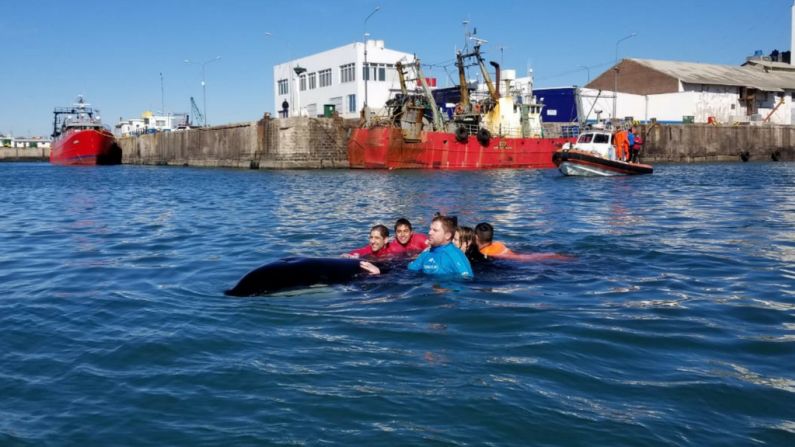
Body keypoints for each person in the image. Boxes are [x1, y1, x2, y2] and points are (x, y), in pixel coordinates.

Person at [408, 215, 473, 278]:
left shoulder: (455, 256)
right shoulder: (426, 253)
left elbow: (467, 280)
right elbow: (411, 271)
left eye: (435, 230)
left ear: (447, 235)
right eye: (430, 229)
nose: (429, 232)